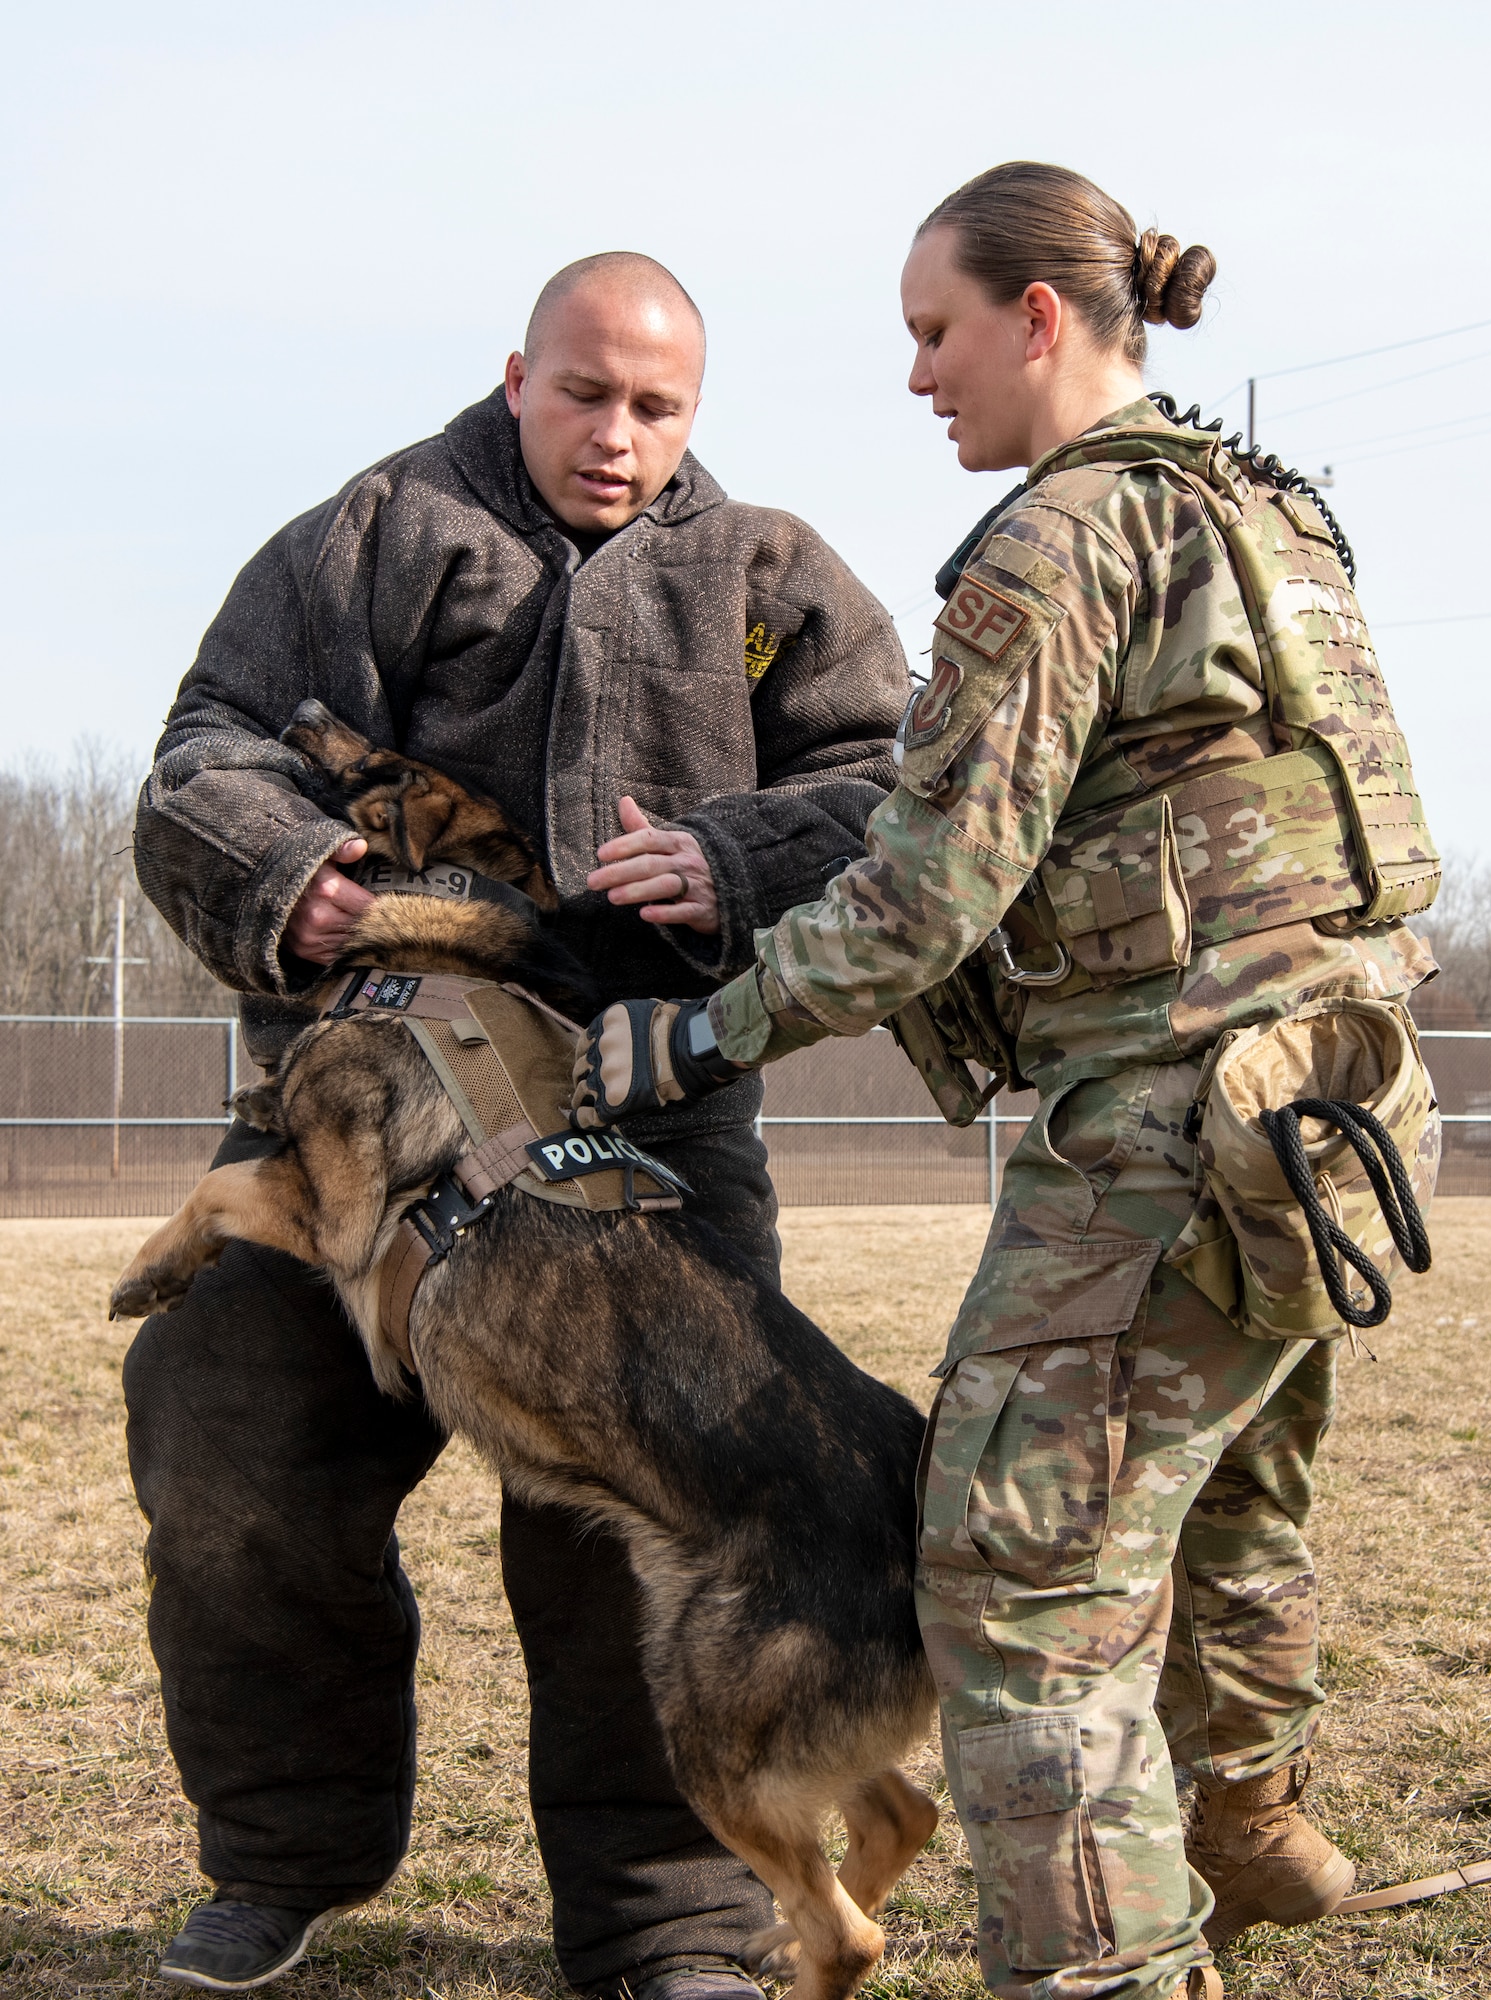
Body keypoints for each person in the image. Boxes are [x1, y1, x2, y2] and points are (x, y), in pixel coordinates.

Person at [570, 166, 1442, 2000]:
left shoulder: (1064, 540)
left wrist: (700, 1030)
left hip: (1164, 1133)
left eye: (934, 333)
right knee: (1228, 1497)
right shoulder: (1266, 506)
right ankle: (1249, 1819)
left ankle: (1109, 1971)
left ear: (1039, 318)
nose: (917, 379)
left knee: (1017, 1584)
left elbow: (928, 889)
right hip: (1329, 1109)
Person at [126, 251, 909, 1997]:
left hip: (650, 1115)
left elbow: (892, 783)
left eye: (658, 407)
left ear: (695, 413)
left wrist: (729, 857)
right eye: (586, 393)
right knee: (226, 1447)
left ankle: (676, 1929)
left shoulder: (770, 574)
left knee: (675, 1515)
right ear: (516, 373)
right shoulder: (378, 533)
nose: (618, 436)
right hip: (368, 1122)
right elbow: (207, 744)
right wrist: (294, 870)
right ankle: (283, 1859)